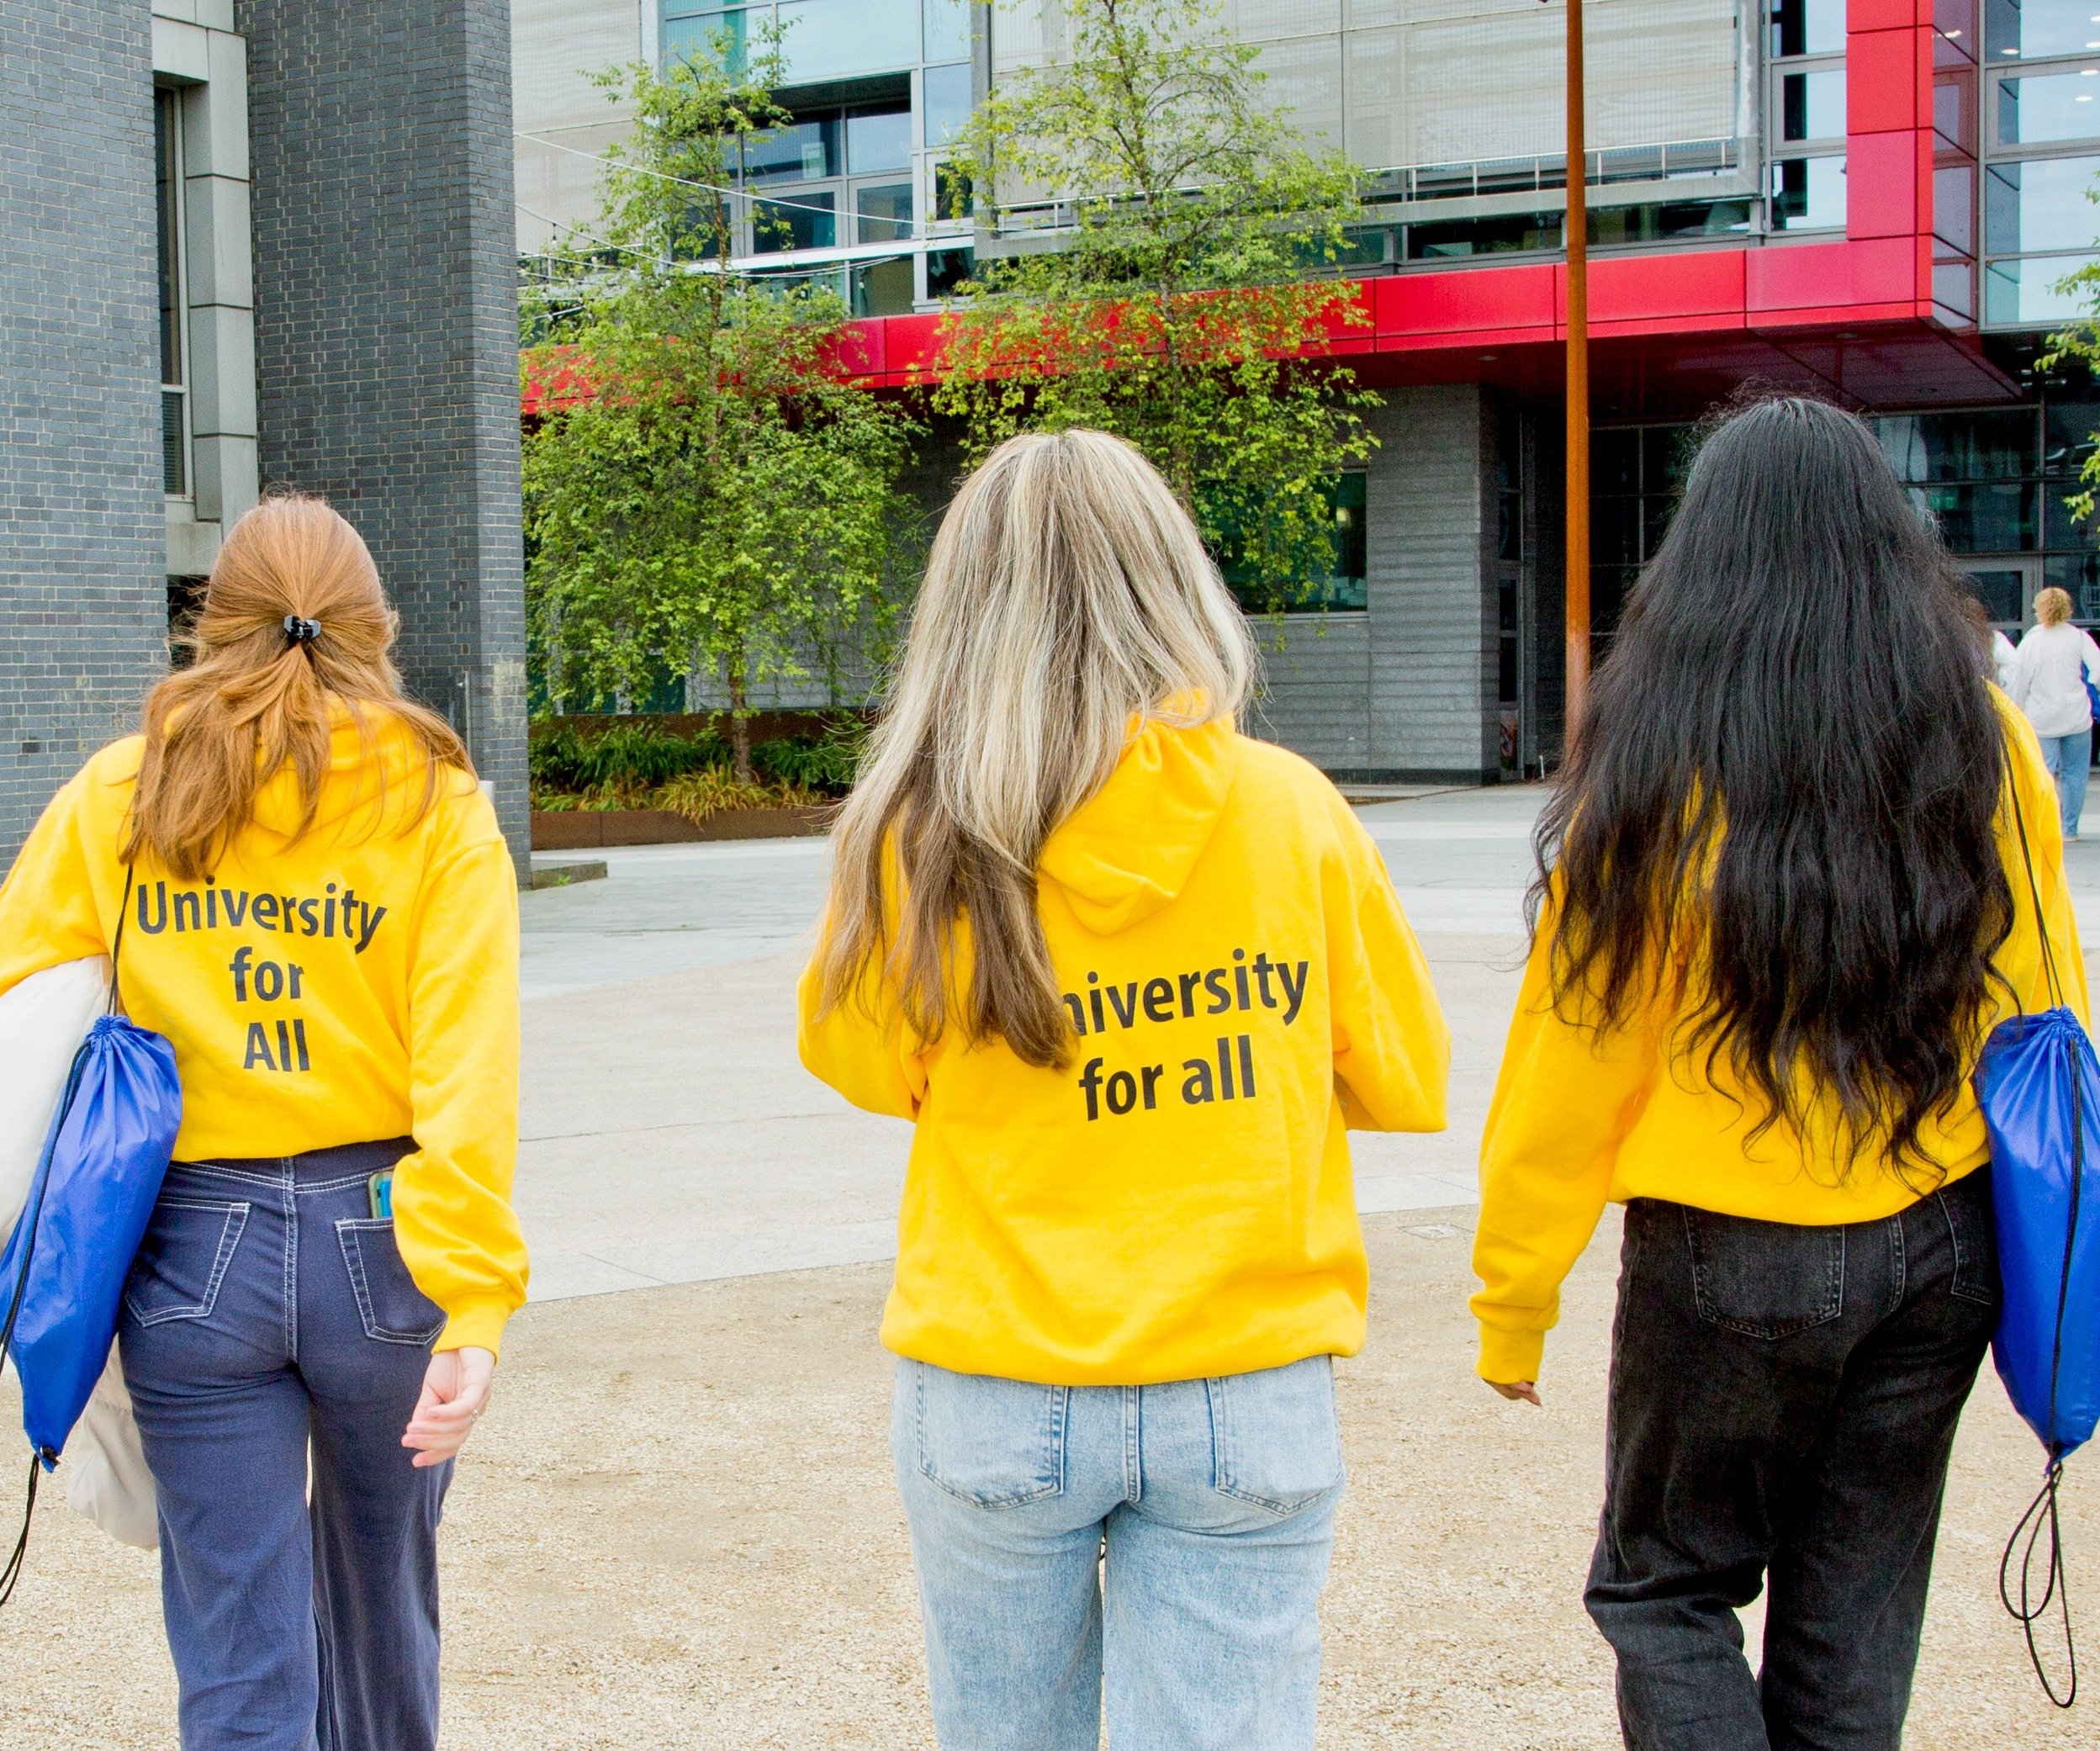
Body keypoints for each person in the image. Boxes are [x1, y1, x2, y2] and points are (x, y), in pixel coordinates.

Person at [799, 430, 1450, 1751]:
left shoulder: (920, 835)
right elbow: (1403, 1074)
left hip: (996, 1375)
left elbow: (863, 1062)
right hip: (1243, 1375)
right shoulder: (1293, 812)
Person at [1470, 396, 2081, 1750]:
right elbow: (2046, 1010)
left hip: (1726, 1247)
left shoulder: (1657, 757)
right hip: (1941, 1236)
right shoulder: (1984, 740)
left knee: (1666, 1587)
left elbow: (1571, 1053)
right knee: (1852, 1618)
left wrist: (1514, 1298)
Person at [0, 495, 526, 1748]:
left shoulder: (125, 789)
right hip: (384, 1239)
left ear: (209, 627)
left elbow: (5, 1000)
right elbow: (467, 1069)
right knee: (384, 1623)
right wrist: (475, 1302)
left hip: (191, 1245)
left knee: (234, 1655)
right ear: (376, 631)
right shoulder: (435, 799)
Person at [2009, 584, 2100, 838]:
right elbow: (2098, 669)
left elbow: (2020, 681)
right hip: (2076, 717)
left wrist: (2015, 711)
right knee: (2075, 775)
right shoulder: (2079, 637)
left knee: (2043, 774)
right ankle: (2069, 829)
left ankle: (2044, 827)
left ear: (2039, 609)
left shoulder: (2031, 642)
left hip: (2041, 719)